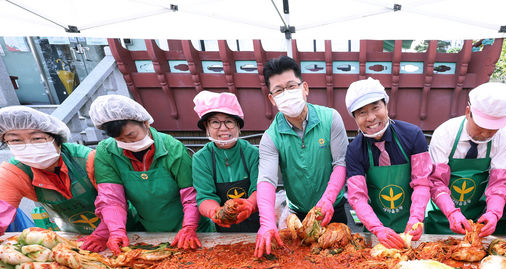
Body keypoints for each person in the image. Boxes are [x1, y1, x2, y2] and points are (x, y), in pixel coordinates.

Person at [89, 94, 212, 254]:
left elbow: (191, 194)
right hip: (150, 230)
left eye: (132, 135)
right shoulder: (106, 152)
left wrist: (189, 226)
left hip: (192, 229)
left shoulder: (172, 147)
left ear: (145, 123)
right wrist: (116, 231)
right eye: (120, 139)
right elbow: (111, 198)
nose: (128, 143)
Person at [254, 56, 348, 257]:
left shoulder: (331, 118)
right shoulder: (270, 138)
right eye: (279, 90)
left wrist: (328, 200)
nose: (286, 94)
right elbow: (266, 180)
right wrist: (267, 221)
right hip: (299, 213)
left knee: (339, 260)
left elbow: (340, 164)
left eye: (291, 86)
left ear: (304, 88)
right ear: (272, 99)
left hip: (333, 207)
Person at [0, 106, 105, 245]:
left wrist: (104, 232)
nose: (29, 146)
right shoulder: (14, 172)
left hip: (124, 230)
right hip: (74, 238)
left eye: (37, 138)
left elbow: (113, 199)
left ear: (57, 140)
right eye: (16, 141)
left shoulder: (86, 159)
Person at [344, 78, 432, 248]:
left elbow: (422, 183)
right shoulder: (354, 150)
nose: (370, 118)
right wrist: (377, 228)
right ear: (354, 118)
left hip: (413, 226)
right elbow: (357, 197)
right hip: (377, 227)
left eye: (376, 108)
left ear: (386, 106)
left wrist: (416, 218)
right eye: (361, 112)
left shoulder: (413, 135)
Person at [426, 82, 506, 236]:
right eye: (480, 127)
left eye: (492, 130)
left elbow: (500, 182)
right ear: (468, 112)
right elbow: (436, 182)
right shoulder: (445, 133)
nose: (485, 134)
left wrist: (493, 213)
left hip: (479, 214)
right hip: (441, 214)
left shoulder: (505, 135)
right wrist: (451, 213)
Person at [191, 91, 259, 232]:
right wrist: (215, 213)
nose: (223, 128)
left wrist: (250, 204)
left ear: (238, 127)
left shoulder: (253, 154)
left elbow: (259, 189)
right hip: (223, 230)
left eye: (229, 121)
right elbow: (205, 196)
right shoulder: (201, 159)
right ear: (207, 127)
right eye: (215, 122)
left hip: (256, 223)